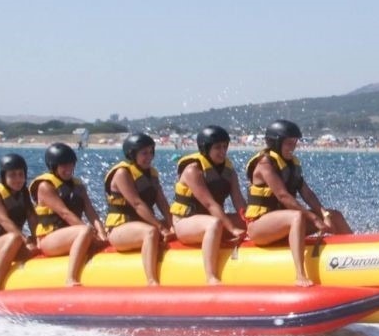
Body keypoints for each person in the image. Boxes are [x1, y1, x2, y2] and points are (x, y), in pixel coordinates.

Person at [243, 120, 352, 287]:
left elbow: (307, 193)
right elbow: (283, 196)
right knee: (297, 217)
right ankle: (300, 275)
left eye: (294, 142)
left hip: (284, 225)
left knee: (335, 215)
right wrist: (315, 220)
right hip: (260, 227)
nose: (292, 147)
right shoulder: (265, 164)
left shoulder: (292, 164)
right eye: (288, 143)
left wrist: (324, 214)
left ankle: (356, 256)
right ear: (276, 142)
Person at [170, 125, 248, 284]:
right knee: (213, 224)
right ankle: (210, 276)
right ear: (205, 148)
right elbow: (210, 204)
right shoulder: (193, 170)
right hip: (185, 222)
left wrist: (250, 222)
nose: (222, 151)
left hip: (213, 220)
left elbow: (238, 200)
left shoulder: (229, 171)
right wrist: (232, 229)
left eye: (225, 146)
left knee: (254, 221)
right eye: (217, 147)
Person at [30, 142, 108, 286]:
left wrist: (102, 234)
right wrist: (91, 234)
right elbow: (64, 213)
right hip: (49, 240)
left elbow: (91, 212)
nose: (68, 169)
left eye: (71, 164)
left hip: (70, 237)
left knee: (104, 233)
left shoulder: (78, 185)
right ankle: (70, 278)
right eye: (63, 165)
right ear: (53, 166)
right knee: (85, 230)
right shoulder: (45, 186)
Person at [104, 133, 175, 286]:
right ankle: (151, 280)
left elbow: (162, 202)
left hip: (140, 225)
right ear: (132, 154)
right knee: (150, 232)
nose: (149, 157)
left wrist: (173, 224)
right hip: (119, 229)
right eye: (144, 153)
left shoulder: (152, 173)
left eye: (151, 152)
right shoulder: (122, 173)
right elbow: (137, 204)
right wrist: (161, 227)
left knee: (181, 223)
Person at [0, 153, 41, 293]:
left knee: (39, 247)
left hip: (13, 246)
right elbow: (4, 220)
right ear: (3, 176)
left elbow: (33, 219)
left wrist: (38, 239)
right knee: (14, 237)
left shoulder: (23, 193)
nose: (18, 179)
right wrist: (25, 240)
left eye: (21, 174)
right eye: (12, 175)